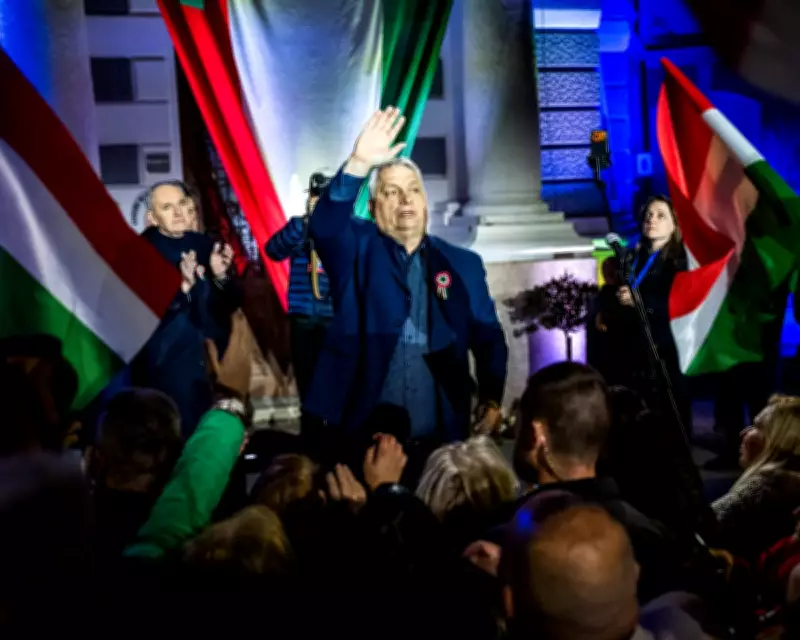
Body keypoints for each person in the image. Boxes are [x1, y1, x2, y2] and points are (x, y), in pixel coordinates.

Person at [304, 107, 508, 471]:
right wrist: (359, 163)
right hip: (363, 444)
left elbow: (488, 337)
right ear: (373, 206)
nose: (406, 200)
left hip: (441, 446)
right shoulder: (355, 250)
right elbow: (325, 226)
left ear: (425, 202)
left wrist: (491, 398)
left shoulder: (462, 264)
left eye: (414, 190)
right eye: (392, 192)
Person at [134, 180, 241, 437]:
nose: (178, 213)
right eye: (167, 207)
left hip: (212, 358)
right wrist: (182, 287)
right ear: (152, 217)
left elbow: (231, 301)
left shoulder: (203, 244)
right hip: (168, 360)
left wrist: (220, 275)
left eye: (182, 204)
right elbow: (140, 308)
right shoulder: (141, 251)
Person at [611, 195, 691, 434]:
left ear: (674, 224)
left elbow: (680, 301)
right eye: (648, 215)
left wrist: (641, 300)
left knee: (671, 407)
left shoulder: (680, 261)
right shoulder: (634, 256)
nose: (652, 220)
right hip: (636, 344)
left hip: (666, 345)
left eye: (660, 216)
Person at [265, 172, 334, 401]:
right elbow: (273, 251)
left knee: (332, 380)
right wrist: (303, 226)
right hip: (302, 316)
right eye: (316, 198)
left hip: (333, 317)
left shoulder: (344, 229)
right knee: (306, 379)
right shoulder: (299, 227)